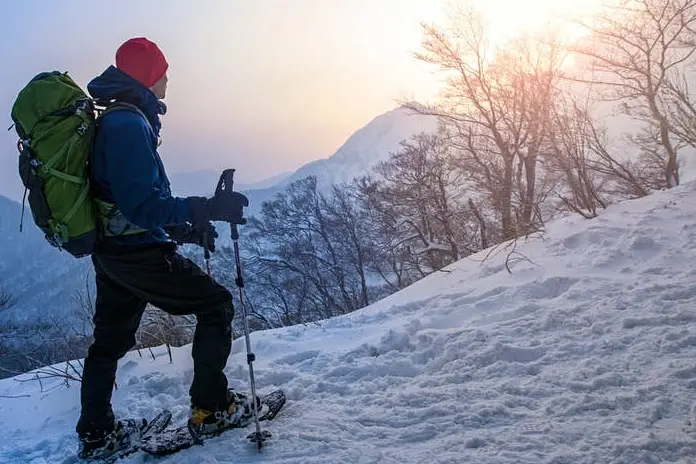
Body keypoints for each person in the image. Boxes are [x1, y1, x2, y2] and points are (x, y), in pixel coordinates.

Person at [76, 37, 251, 459]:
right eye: (162, 72)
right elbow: (141, 206)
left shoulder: (121, 118)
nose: (168, 79)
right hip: (136, 254)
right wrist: (204, 208)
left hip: (115, 252)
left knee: (107, 342)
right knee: (216, 305)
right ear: (147, 77)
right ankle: (211, 408)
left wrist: (188, 231)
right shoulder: (127, 125)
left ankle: (97, 433)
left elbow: (123, 201)